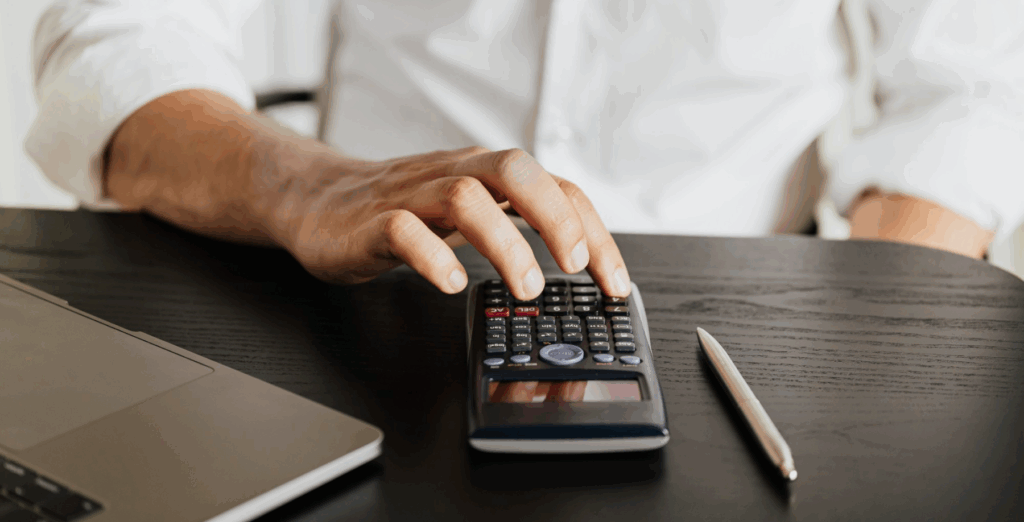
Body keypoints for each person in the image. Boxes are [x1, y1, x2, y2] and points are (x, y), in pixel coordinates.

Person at [25, 0, 1024, 305]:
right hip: (352, 285)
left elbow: (970, 86)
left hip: (739, 311)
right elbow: (115, 33)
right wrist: (311, 184)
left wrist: (877, 350)